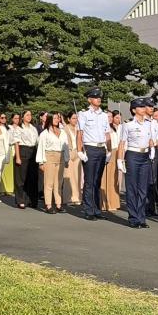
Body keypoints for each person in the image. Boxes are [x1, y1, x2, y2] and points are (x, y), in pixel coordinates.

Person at [117, 98, 154, 228]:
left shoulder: (149, 123)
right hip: (132, 155)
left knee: (143, 189)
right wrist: (120, 160)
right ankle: (133, 218)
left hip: (145, 156)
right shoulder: (127, 124)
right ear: (134, 110)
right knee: (132, 188)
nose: (144, 109)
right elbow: (122, 143)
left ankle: (141, 217)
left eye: (145, 107)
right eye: (141, 107)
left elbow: (150, 139)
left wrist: (152, 149)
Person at [77, 87, 112, 221]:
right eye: (96, 97)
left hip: (101, 149)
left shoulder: (103, 115)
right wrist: (79, 150)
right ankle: (89, 210)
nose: (99, 99)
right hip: (90, 148)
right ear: (89, 99)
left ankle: (97, 209)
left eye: (100, 97)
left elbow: (107, 134)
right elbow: (79, 134)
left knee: (97, 181)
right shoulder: (84, 114)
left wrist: (109, 151)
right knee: (90, 181)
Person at [36, 112, 70, 213]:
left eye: (58, 118)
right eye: (55, 118)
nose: (57, 120)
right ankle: (48, 205)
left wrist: (66, 159)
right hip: (49, 157)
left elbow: (66, 146)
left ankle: (58, 204)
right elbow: (41, 148)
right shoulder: (45, 133)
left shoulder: (62, 132)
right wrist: (41, 162)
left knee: (59, 182)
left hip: (60, 157)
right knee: (49, 182)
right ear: (50, 119)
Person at [13, 110, 39, 209]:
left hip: (33, 151)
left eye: (30, 115)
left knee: (32, 177)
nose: (29, 116)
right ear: (22, 117)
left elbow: (37, 141)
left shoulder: (33, 128)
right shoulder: (19, 128)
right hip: (22, 150)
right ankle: (20, 200)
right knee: (21, 178)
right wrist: (18, 157)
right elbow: (16, 142)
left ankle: (31, 199)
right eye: (27, 115)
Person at [100, 110, 121, 212]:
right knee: (105, 179)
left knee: (114, 178)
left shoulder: (115, 128)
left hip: (115, 153)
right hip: (106, 152)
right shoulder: (102, 128)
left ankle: (113, 202)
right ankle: (104, 203)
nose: (109, 118)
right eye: (107, 117)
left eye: (110, 116)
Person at [62, 111, 82, 206]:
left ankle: (77, 197)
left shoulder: (79, 129)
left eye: (76, 118)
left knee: (77, 176)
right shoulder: (65, 129)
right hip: (68, 153)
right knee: (68, 176)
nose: (75, 120)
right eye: (73, 118)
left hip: (77, 152)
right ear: (69, 119)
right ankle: (68, 198)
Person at [0, 113, 16, 195]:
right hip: (0, 149)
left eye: (5, 118)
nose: (3, 119)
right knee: (1, 170)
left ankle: (9, 189)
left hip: (9, 149)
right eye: (1, 118)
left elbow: (13, 139)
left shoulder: (9, 128)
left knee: (9, 171)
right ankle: (1, 189)